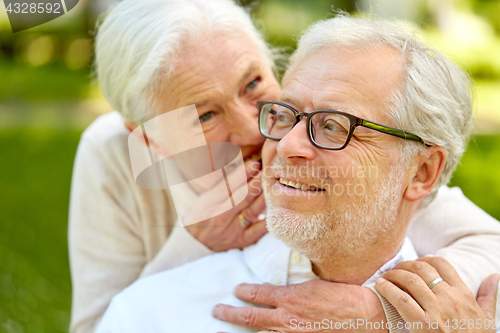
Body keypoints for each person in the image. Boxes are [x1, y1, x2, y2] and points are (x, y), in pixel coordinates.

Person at [69, 0, 500, 332]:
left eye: (253, 85)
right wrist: (197, 244)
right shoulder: (111, 157)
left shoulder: (383, 170)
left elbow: (484, 241)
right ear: (148, 139)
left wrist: (380, 309)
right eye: (205, 116)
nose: (255, 131)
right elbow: (111, 321)